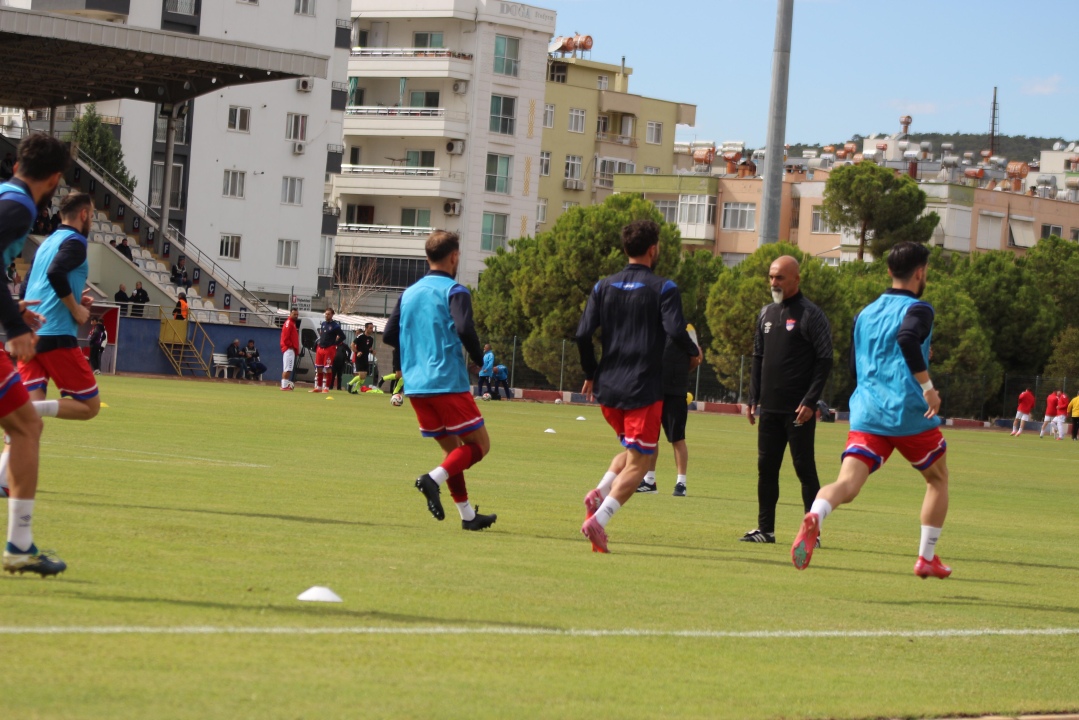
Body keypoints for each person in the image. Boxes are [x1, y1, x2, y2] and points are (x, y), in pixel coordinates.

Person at [791, 242, 951, 579]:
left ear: (890, 271)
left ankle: (817, 515)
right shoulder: (919, 309)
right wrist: (928, 387)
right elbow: (908, 338)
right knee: (937, 480)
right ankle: (926, 557)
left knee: (847, 484)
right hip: (908, 413)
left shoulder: (864, 312)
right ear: (920, 272)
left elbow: (855, 366)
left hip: (867, 412)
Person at [576, 219, 700, 553]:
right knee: (641, 463)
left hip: (608, 389)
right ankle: (598, 521)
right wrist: (693, 352)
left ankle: (599, 493)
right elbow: (675, 330)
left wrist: (590, 371)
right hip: (642, 388)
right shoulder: (664, 288)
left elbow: (581, 334)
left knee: (633, 453)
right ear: (653, 249)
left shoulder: (603, 286)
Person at [382, 230, 497, 532]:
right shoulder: (454, 290)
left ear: (427, 257)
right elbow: (464, 327)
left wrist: (408, 361)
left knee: (453, 452)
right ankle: (431, 479)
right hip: (447, 381)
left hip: (417, 387)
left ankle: (467, 516)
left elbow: (390, 335)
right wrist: (477, 360)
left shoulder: (408, 293)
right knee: (480, 445)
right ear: (454, 256)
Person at [0, 132, 70, 576]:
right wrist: (11, 325)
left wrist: (12, 308)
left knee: (24, 424)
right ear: (56, 178)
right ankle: (20, 546)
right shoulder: (20, 207)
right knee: (27, 427)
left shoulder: (6, 195)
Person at [741, 255, 833, 544]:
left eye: (779, 277)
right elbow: (758, 356)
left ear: (796, 279)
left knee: (804, 470)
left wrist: (810, 400)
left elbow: (825, 360)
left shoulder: (811, 315)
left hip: (798, 411)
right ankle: (765, 530)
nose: (773, 282)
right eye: (771, 276)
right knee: (766, 469)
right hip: (769, 408)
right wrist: (753, 397)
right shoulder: (765, 313)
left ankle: (812, 533)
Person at [638, 324, 700, 497]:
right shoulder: (651, 323)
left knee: (677, 438)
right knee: (651, 437)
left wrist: (679, 373)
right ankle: (649, 481)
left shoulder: (687, 328)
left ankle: (681, 483)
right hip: (653, 390)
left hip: (675, 392)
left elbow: (697, 356)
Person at [311, 308, 345, 393]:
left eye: (328, 314)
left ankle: (326, 387)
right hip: (320, 348)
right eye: (326, 314)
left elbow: (343, 336)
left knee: (328, 368)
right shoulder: (323, 324)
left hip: (329, 349)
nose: (327, 315)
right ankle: (318, 387)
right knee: (319, 368)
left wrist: (335, 343)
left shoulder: (335, 326)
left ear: (332, 315)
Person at [350, 322, 375, 388]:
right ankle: (350, 383)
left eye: (372, 328)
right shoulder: (360, 336)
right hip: (359, 358)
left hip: (365, 358)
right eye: (370, 328)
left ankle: (355, 389)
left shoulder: (371, 339)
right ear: (366, 328)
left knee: (364, 376)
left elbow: (369, 348)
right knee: (361, 375)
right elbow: (352, 345)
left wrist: (372, 351)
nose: (372, 329)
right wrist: (357, 352)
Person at [280, 307, 299, 391]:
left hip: (290, 349)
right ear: (290, 314)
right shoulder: (289, 323)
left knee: (287, 368)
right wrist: (291, 345)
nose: (296, 316)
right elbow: (285, 338)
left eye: (297, 314)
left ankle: (284, 385)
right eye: (294, 314)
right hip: (289, 349)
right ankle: (284, 386)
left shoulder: (292, 323)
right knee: (288, 368)